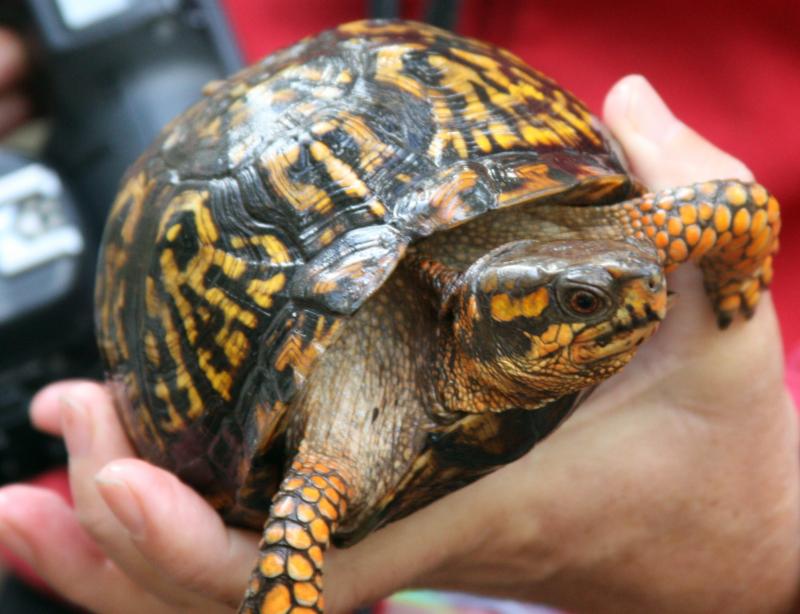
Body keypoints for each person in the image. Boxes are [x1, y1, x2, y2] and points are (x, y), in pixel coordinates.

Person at [1, 8, 798, 614]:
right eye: (584, 302)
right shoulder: (331, 458)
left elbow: (734, 211)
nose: (642, 286)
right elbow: (291, 542)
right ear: (489, 322)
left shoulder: (617, 244)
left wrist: (766, 542)